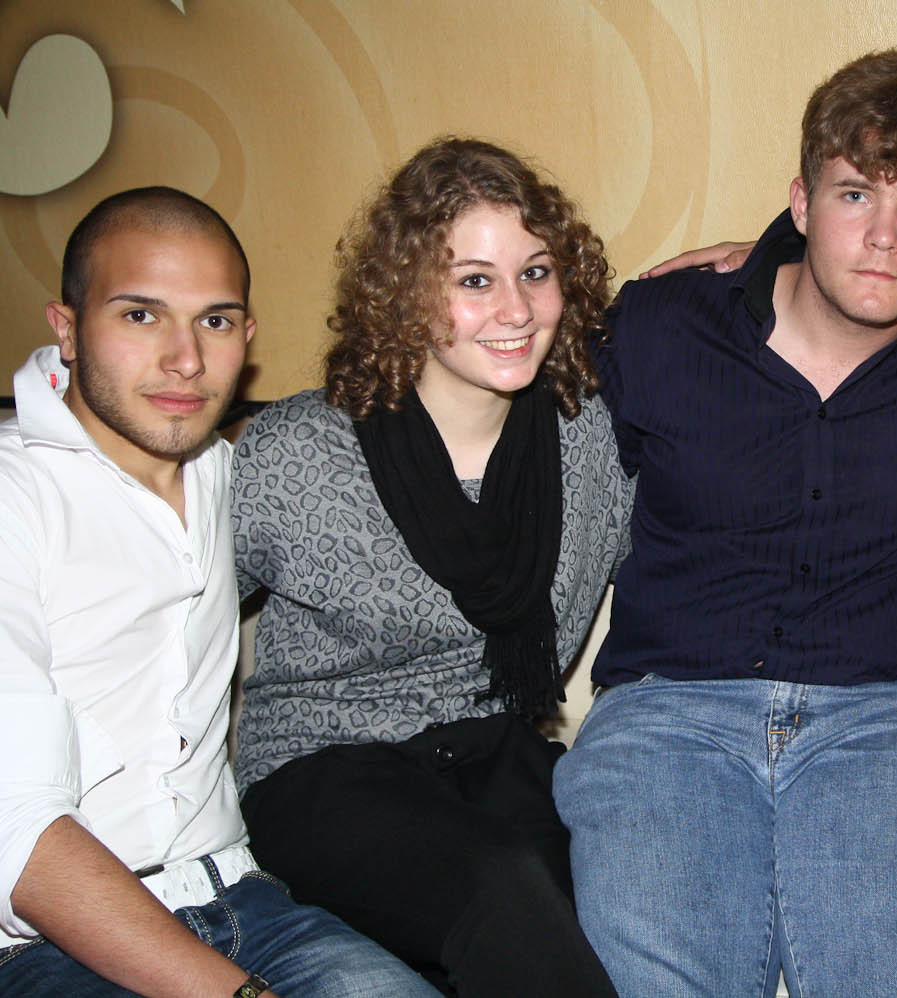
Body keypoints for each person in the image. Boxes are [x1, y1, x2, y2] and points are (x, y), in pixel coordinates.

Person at [552, 49, 897, 996]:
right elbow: (497, 396)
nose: (882, 238)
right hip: (667, 717)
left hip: (882, 723)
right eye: (853, 196)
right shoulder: (663, 325)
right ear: (800, 203)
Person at [0, 187, 436, 997]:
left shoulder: (237, 476)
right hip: (42, 940)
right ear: (66, 326)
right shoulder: (15, 497)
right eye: (140, 315)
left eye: (215, 320)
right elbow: (17, 834)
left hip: (242, 896)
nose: (186, 359)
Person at [231, 138, 630, 995]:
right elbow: (163, 619)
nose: (515, 309)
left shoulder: (587, 437)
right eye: (474, 280)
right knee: (500, 888)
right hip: (323, 768)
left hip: (496, 759)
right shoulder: (299, 452)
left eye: (535, 272)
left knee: (625, 896)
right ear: (407, 292)